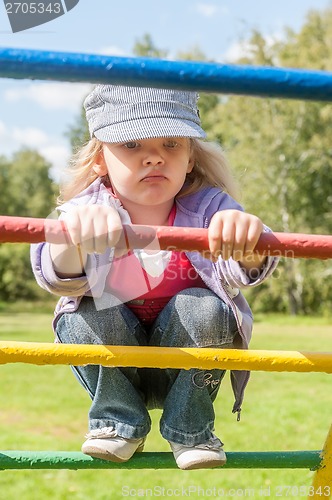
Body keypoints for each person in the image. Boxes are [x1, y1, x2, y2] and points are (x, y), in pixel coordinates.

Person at [31, 85, 278, 470]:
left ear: (190, 157)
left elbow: (242, 273)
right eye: (131, 144)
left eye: (171, 144)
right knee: (82, 313)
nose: (154, 158)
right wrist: (72, 243)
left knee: (204, 306)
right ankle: (118, 424)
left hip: (188, 366)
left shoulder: (211, 207)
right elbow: (55, 276)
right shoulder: (85, 211)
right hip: (115, 368)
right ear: (100, 160)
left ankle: (190, 431)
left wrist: (245, 240)